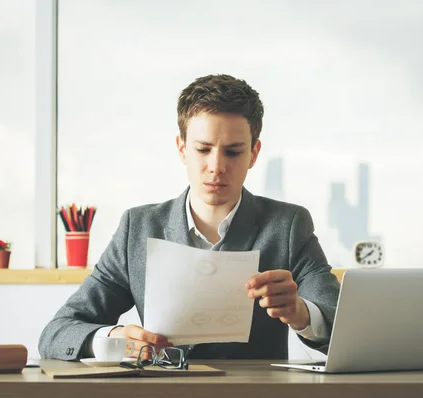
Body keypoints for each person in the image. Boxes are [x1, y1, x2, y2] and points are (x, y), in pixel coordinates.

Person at [38, 74, 340, 361]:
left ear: (254, 153)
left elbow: (342, 325)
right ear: (182, 149)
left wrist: (301, 314)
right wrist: (116, 338)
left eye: (233, 152)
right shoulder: (138, 228)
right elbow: (57, 333)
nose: (216, 166)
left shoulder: (288, 225)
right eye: (203, 149)